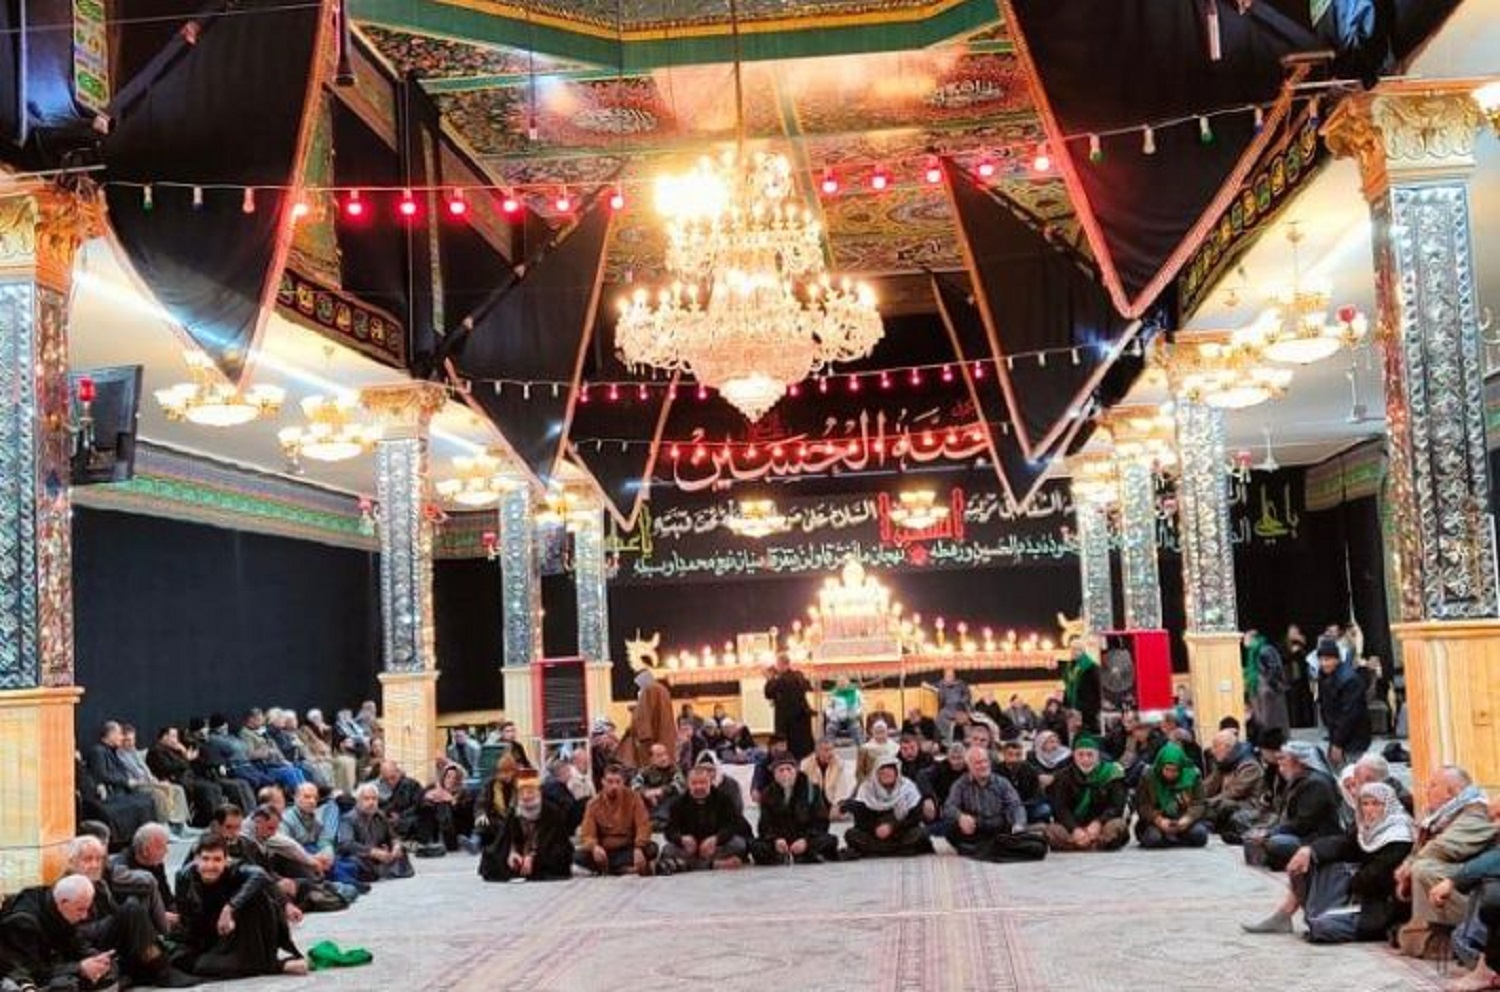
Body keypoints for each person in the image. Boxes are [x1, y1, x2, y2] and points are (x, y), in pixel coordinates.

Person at [1243, 781, 1415, 942]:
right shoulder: (1367, 829)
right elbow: (1344, 844)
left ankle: (1320, 915)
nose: (1369, 809)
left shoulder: (1399, 835)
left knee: (1322, 927)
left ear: (1388, 807)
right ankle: (1284, 916)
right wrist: (1310, 851)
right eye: (1365, 804)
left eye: (1376, 804)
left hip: (1379, 906)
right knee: (1308, 863)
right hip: (1358, 893)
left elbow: (1374, 878)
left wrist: (1344, 881)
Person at [1394, 765, 1497, 958]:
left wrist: (1410, 866)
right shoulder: (1440, 817)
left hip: (1478, 889)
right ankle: (1434, 933)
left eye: (1433, 786)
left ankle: (1456, 934)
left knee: (1424, 868)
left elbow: (1446, 847)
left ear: (1452, 793)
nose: (1427, 791)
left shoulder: (1477, 812)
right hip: (1466, 881)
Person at [174, 836, 307, 978]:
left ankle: (271, 964)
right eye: (205, 859)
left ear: (226, 861)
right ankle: (268, 965)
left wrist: (230, 908)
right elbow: (188, 919)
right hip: (214, 933)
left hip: (247, 933)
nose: (210, 866)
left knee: (256, 893)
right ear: (196, 860)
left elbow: (260, 875)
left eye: (217, 859)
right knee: (187, 963)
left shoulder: (235, 869)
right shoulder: (184, 877)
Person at [0, 874, 117, 990]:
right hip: (28, 975)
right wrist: (80, 968)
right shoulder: (24, 921)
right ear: (63, 902)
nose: (85, 916)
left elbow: (77, 944)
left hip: (53, 964)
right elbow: (32, 971)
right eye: (81, 910)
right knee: (66, 984)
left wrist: (97, 959)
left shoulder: (62, 903)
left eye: (87, 908)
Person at [1249, 741, 1343, 871]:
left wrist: (1270, 833)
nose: (1280, 762)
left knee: (1275, 843)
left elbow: (1302, 824)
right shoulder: (1297, 779)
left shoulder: (1316, 784)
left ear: (1299, 761)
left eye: (1284, 758)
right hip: (1297, 832)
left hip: (1315, 838)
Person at [943, 747, 1047, 863]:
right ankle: (991, 849)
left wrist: (1018, 824)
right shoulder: (961, 784)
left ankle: (985, 849)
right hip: (975, 830)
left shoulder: (1001, 783)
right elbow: (948, 807)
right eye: (978, 763)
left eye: (985, 761)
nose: (983, 765)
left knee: (1038, 847)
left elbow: (1016, 805)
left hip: (999, 830)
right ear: (969, 766)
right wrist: (961, 817)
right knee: (949, 828)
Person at [480, 770, 573, 882]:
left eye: (530, 792)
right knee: (491, 859)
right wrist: (512, 853)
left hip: (543, 855)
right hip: (521, 854)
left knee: (558, 858)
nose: (526, 797)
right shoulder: (514, 812)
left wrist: (534, 858)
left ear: (538, 792)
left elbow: (555, 843)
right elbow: (505, 839)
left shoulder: (551, 811)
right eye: (522, 793)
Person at [1042, 736, 1128, 852]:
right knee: (1052, 830)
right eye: (1080, 755)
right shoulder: (1063, 776)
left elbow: (1116, 806)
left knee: (1117, 825)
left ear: (1097, 756)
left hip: (1101, 825)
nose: (1085, 759)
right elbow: (1060, 808)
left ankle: (1079, 845)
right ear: (1074, 756)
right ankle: (1091, 844)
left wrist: (1098, 823)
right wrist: (1075, 829)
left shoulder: (1112, 774)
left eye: (1090, 755)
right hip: (1073, 826)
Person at [659, 765, 751, 872]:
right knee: (667, 850)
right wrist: (681, 839)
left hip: (716, 846)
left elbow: (732, 825)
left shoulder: (723, 799)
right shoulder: (678, 803)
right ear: (688, 784)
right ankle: (714, 864)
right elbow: (670, 830)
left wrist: (716, 839)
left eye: (702, 783)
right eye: (694, 783)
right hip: (690, 848)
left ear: (710, 782)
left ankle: (691, 864)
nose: (699, 787)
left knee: (739, 844)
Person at [751, 754, 838, 865]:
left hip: (805, 838)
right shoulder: (767, 793)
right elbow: (764, 825)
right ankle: (787, 857)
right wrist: (775, 840)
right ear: (774, 774)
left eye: (789, 769)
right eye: (781, 770)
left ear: (796, 771)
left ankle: (803, 854)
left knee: (829, 840)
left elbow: (821, 821)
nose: (785, 774)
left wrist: (805, 841)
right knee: (756, 846)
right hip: (780, 841)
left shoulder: (812, 789)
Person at [840, 756, 933, 859]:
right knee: (851, 834)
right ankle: (896, 851)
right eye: (882, 772)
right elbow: (860, 821)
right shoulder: (867, 789)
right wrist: (876, 829)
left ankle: (877, 851)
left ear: (896, 773)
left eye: (890, 771)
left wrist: (892, 827)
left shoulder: (908, 788)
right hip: (874, 835)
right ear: (876, 774)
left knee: (920, 833)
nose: (886, 775)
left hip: (900, 834)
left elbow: (915, 818)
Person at [576, 764, 658, 876]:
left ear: (623, 782)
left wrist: (639, 847)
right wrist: (594, 847)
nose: (614, 786)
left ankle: (611, 869)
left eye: (618, 782)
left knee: (651, 849)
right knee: (579, 856)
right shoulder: (593, 804)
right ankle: (623, 868)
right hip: (606, 850)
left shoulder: (634, 798)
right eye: (610, 782)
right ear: (603, 782)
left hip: (629, 847)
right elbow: (587, 833)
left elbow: (643, 826)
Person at [1135, 742, 1210, 849]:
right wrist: (1158, 820)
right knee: (1153, 839)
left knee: (1200, 835)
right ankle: (1170, 838)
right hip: (1158, 820)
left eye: (1175, 771)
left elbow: (1199, 803)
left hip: (1182, 818)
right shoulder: (1149, 777)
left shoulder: (1192, 775)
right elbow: (1142, 804)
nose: (1170, 774)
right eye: (1167, 770)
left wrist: (1187, 819)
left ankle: (1173, 838)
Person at [337, 783, 414, 881]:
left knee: (401, 851)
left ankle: (382, 870)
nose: (371, 802)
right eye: (367, 799)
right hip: (362, 856)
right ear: (358, 801)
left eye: (374, 799)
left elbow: (393, 836)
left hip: (380, 856)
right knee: (354, 862)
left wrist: (396, 846)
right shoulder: (348, 819)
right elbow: (346, 844)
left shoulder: (380, 816)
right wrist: (372, 852)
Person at [1316, 636, 1373, 766]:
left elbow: (1350, 715)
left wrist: (1337, 743)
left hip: (1354, 736)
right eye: (1321, 659)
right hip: (1337, 733)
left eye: (1327, 659)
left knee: (1352, 772)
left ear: (1336, 659)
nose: (1324, 663)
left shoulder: (1349, 680)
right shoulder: (1324, 675)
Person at [1203, 728, 1267, 841]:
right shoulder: (1224, 764)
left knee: (1223, 804)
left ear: (1227, 747)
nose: (1212, 751)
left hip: (1250, 806)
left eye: (1215, 746)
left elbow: (1234, 792)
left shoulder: (1249, 766)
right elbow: (1208, 785)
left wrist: (1207, 802)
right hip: (1232, 803)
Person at [1243, 628, 1291, 743]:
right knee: (1262, 719)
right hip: (1259, 689)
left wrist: (1269, 687)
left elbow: (1274, 669)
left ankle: (1277, 741)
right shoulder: (1252, 651)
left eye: (1245, 638)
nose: (1243, 641)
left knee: (1272, 718)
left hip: (1268, 691)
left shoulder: (1265, 649)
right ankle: (1266, 741)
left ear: (1252, 638)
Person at [764, 655, 815, 758]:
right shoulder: (798, 675)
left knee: (789, 746)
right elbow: (808, 686)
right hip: (801, 716)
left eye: (777, 665)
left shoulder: (780, 680)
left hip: (787, 719)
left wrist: (769, 679)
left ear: (782, 664)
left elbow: (768, 693)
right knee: (803, 746)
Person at [628, 669, 676, 768]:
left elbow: (643, 716)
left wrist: (641, 736)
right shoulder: (663, 689)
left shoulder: (648, 690)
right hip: (666, 736)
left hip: (652, 740)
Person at [633, 742, 686, 828]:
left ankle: (659, 819)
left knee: (677, 796)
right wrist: (646, 793)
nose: (664, 758)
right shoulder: (645, 771)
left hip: (667, 805)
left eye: (665, 754)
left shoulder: (674, 770)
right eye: (659, 755)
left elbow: (680, 785)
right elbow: (634, 786)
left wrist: (660, 791)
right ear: (651, 759)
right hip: (650, 805)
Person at [1062, 640, 1102, 735]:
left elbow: (1098, 689)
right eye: (1072, 649)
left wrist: (1095, 708)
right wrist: (1066, 705)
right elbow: (1067, 687)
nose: (1073, 651)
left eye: (1077, 649)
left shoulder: (1091, 667)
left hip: (1088, 709)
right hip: (1072, 709)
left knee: (1088, 733)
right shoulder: (1069, 667)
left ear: (1083, 651)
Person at [801, 737, 848, 813]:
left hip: (831, 801)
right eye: (826, 750)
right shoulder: (806, 764)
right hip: (813, 802)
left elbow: (841, 789)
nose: (830, 753)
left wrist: (837, 805)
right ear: (817, 752)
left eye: (831, 749)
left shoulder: (838, 764)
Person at [1283, 625, 1316, 728]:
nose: (1294, 635)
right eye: (1292, 632)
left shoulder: (1302, 643)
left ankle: (1306, 722)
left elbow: (1310, 658)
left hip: (1304, 677)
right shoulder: (1284, 644)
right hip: (1290, 677)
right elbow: (1283, 658)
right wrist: (1292, 652)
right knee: (1293, 702)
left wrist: (1302, 645)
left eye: (1296, 632)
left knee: (1305, 701)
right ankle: (1294, 723)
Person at [933, 667, 972, 745]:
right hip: (947, 708)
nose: (950, 678)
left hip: (959, 707)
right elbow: (932, 689)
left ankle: (967, 738)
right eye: (947, 676)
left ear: (954, 676)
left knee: (963, 718)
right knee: (940, 716)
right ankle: (946, 738)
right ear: (944, 677)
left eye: (951, 676)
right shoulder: (941, 685)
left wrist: (961, 700)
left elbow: (967, 695)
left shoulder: (960, 684)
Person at [824, 675, 866, 744]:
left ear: (848, 682)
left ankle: (861, 749)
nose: (842, 683)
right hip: (837, 719)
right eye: (840, 682)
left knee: (857, 730)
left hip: (852, 718)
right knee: (830, 728)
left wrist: (856, 714)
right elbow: (828, 707)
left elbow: (862, 705)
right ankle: (829, 749)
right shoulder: (833, 693)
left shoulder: (856, 692)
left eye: (844, 682)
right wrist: (832, 716)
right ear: (837, 684)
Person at [1028, 730, 1071, 795]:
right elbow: (1031, 768)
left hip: (1059, 790)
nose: (1055, 745)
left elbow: (1066, 770)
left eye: (1057, 742)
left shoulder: (1065, 755)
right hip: (1038, 790)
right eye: (1051, 742)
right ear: (1042, 743)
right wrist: (1040, 775)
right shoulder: (1032, 755)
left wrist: (1053, 777)